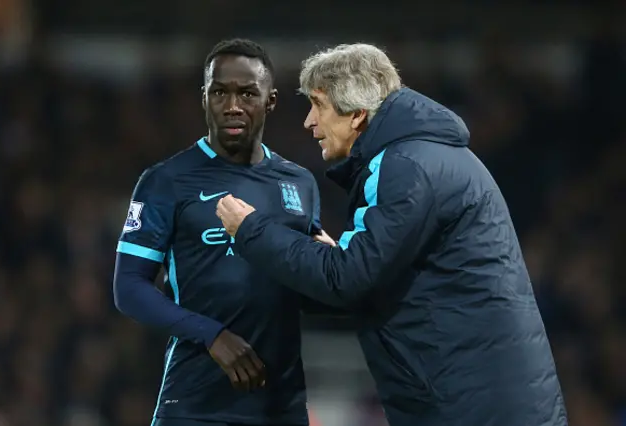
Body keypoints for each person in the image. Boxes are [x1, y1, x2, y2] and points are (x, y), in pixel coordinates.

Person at [216, 43, 569, 426]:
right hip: (482, 400)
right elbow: (368, 282)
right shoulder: (423, 157)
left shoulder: (405, 165)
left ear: (356, 114)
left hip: (475, 407)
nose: (309, 122)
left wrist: (252, 230)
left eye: (318, 105)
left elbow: (348, 279)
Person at [113, 38, 325, 426]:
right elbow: (128, 287)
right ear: (204, 97)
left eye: (247, 94)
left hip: (280, 406)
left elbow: (306, 284)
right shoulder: (166, 180)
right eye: (220, 92)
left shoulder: (300, 183)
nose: (232, 107)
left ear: (270, 101)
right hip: (195, 405)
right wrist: (211, 335)